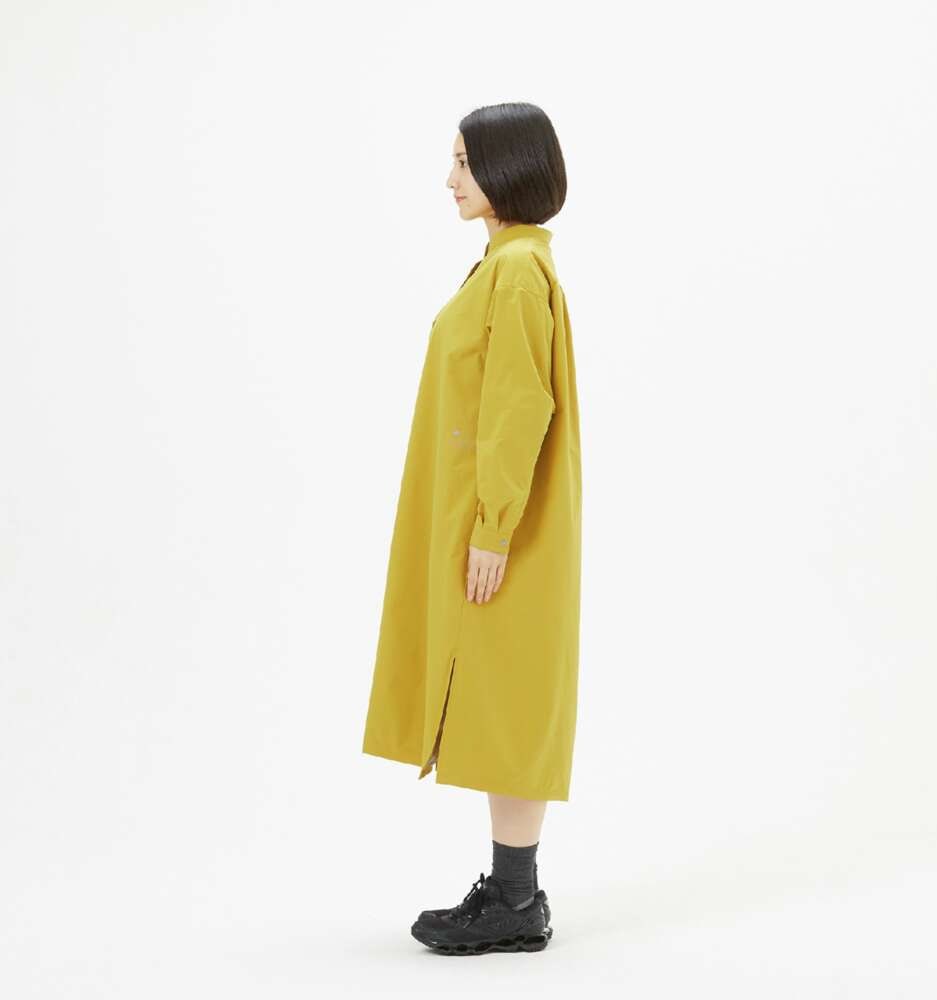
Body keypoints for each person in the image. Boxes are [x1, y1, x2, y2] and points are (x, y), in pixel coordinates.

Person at [361, 102, 582, 955]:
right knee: (502, 701)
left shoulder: (517, 270)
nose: (449, 179)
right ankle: (514, 893)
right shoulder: (505, 261)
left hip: (503, 531)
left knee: (509, 703)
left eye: (463, 161)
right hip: (489, 522)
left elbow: (520, 407)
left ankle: (516, 901)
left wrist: (492, 530)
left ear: (506, 167)